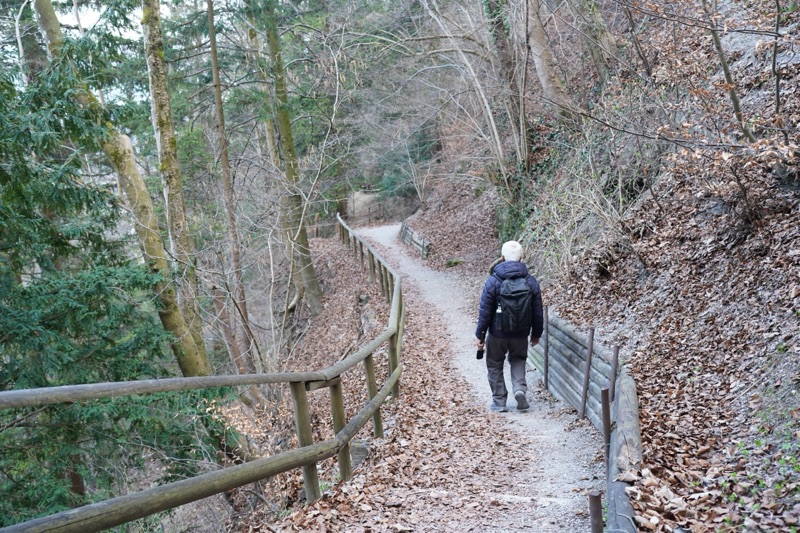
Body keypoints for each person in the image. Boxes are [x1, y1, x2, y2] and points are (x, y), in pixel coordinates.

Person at [475, 240, 544, 412]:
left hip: (497, 333)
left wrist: (480, 336)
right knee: (518, 360)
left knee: (494, 364)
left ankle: (499, 402)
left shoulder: (493, 281)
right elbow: (537, 312)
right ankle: (519, 389)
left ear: (502, 258)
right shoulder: (531, 282)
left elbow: (485, 312)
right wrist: (536, 334)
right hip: (521, 333)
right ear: (521, 257)